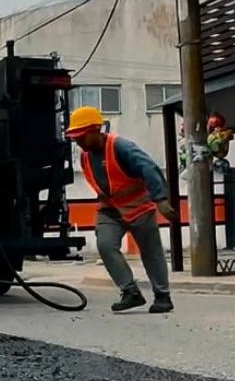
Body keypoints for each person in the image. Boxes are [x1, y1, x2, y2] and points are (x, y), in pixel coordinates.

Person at [66, 106, 177, 314]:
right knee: (106, 245)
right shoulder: (85, 156)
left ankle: (162, 296)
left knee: (151, 251)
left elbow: (149, 168)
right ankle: (130, 292)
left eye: (80, 136)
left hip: (138, 206)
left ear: (95, 130)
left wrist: (160, 199)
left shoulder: (121, 147)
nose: (77, 141)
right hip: (110, 209)